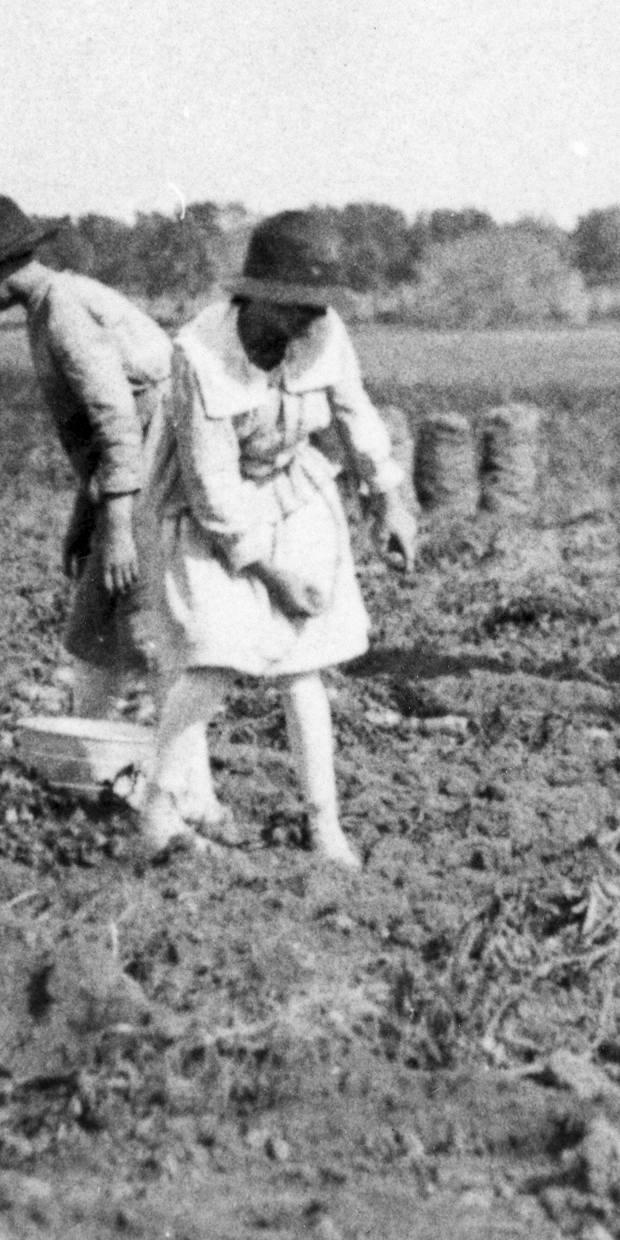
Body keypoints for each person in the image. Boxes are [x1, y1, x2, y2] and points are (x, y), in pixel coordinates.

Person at [131, 212, 418, 866]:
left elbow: (354, 412)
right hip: (211, 512)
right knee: (214, 659)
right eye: (292, 306)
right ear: (254, 295)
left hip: (292, 492)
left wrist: (389, 497)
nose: (307, 321)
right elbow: (212, 490)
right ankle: (158, 814)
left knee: (303, 666)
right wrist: (272, 574)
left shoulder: (323, 330)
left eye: (316, 307)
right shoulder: (198, 356)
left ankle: (326, 828)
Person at [0, 192, 225, 826]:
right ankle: (72, 766)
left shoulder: (65, 310)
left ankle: (191, 794)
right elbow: (97, 438)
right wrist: (85, 520)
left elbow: (117, 421)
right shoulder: (49, 308)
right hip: (127, 477)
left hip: (152, 472)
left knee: (152, 635)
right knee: (95, 632)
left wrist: (119, 527)